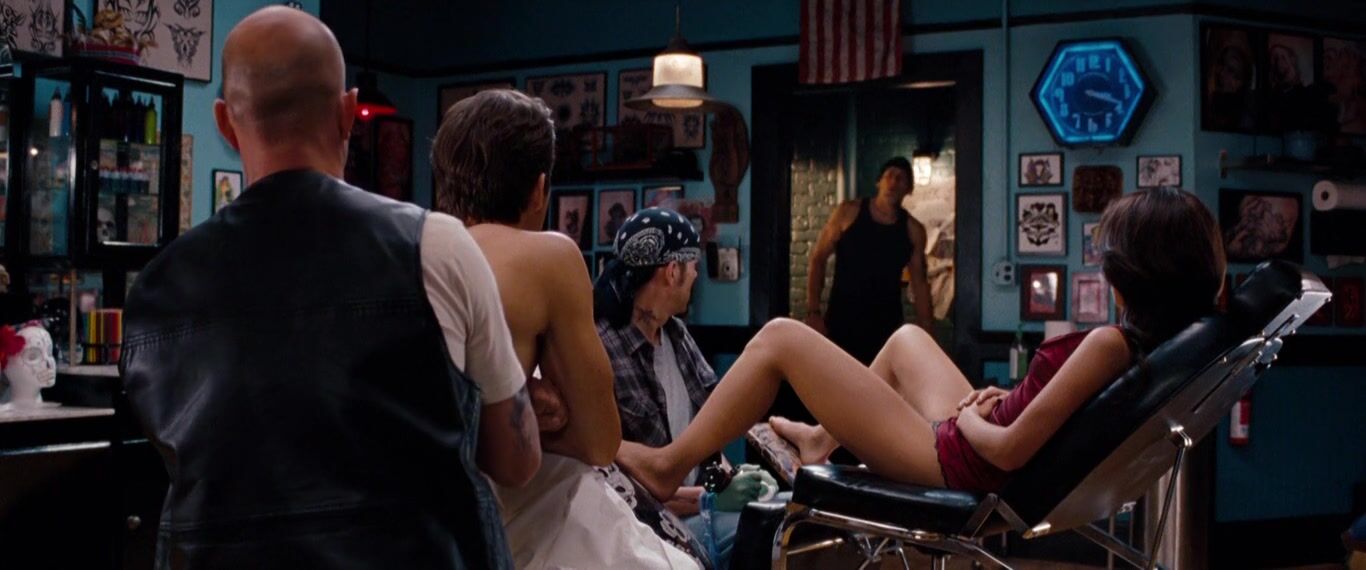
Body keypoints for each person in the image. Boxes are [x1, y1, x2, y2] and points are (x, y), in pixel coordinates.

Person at [120, 9, 537, 569]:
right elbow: (516, 461)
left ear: (224, 123)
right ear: (348, 113)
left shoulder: (156, 288)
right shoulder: (433, 246)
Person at [618, 187, 1225, 501]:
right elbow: (1036, 425)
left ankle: (669, 465)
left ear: (1133, 270)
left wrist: (969, 418)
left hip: (960, 461)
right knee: (909, 336)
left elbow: (1010, 451)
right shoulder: (1136, 347)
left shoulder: (1109, 344)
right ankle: (822, 439)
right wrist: (998, 401)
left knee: (780, 336)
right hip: (976, 443)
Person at [431, 89, 700, 570]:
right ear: (539, 190)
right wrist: (528, 412)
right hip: (477, 511)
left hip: (393, 506)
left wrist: (519, 399)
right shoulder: (548, 256)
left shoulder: (404, 248)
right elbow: (598, 441)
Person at [594, 207, 775, 569]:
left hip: (699, 508)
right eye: (692, 265)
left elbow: (708, 430)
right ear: (672, 271)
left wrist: (731, 480)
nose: (695, 275)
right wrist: (708, 500)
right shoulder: (601, 348)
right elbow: (612, 475)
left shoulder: (676, 336)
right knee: (774, 535)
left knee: (788, 514)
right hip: (651, 529)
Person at [806, 157, 932, 366]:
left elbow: (920, 284)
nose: (893, 182)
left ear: (909, 189)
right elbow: (818, 259)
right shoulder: (848, 212)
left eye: (900, 178)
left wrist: (927, 335)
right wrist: (813, 312)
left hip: (885, 328)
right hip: (842, 321)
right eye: (889, 176)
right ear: (878, 182)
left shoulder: (913, 230)